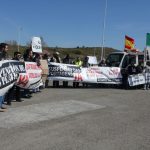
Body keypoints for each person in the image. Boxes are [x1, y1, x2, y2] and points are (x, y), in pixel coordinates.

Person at [0, 43, 9, 111]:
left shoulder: (4, 54)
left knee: (4, 90)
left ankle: (1, 104)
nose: (7, 49)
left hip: (3, 74)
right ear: (2, 48)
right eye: (6, 48)